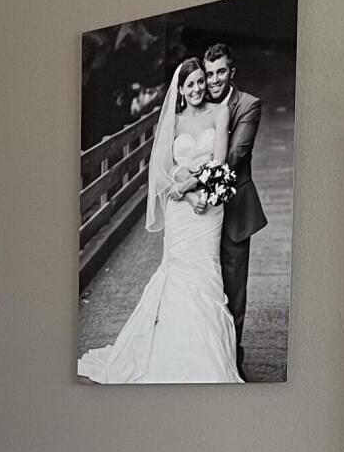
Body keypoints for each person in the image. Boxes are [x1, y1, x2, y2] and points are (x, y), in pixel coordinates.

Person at [78, 58, 243, 385]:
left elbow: (218, 164)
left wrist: (192, 188)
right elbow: (159, 173)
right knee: (176, 275)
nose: (197, 88)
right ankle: (169, 357)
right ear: (180, 90)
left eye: (200, 81)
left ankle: (208, 360)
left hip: (208, 210)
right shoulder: (173, 121)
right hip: (182, 211)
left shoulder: (218, 113)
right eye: (190, 84)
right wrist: (184, 191)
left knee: (206, 277)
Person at [173, 42, 267, 375]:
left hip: (234, 210)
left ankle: (231, 363)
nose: (211, 81)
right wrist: (182, 190)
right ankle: (199, 358)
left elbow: (233, 157)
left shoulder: (248, 105)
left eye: (220, 73)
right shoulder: (198, 106)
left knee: (233, 291)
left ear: (232, 73)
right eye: (208, 74)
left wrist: (186, 184)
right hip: (198, 216)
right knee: (199, 288)